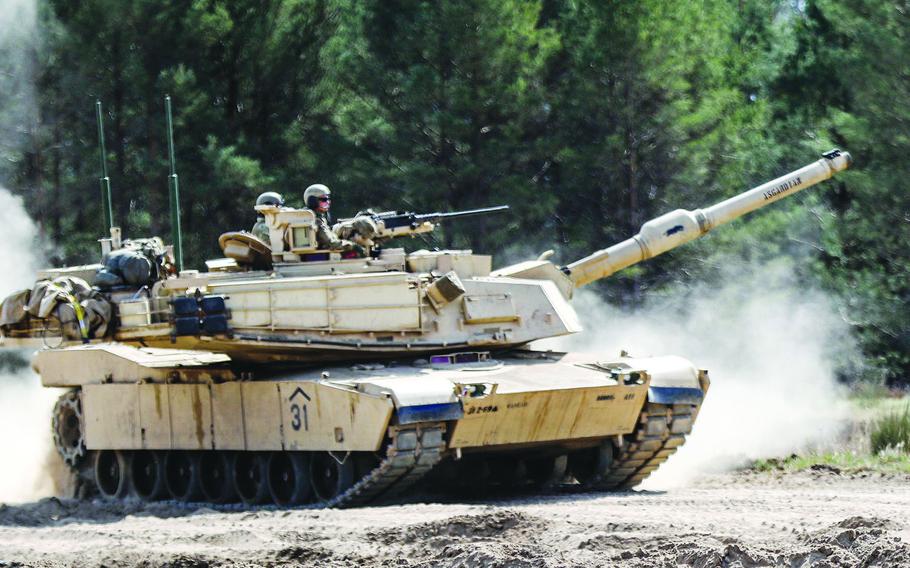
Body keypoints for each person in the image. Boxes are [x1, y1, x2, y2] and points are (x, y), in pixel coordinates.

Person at [303, 184, 361, 253]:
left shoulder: (306, 215)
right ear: (312, 201)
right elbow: (332, 243)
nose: (328, 202)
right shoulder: (315, 219)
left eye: (328, 199)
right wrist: (354, 246)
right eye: (324, 199)